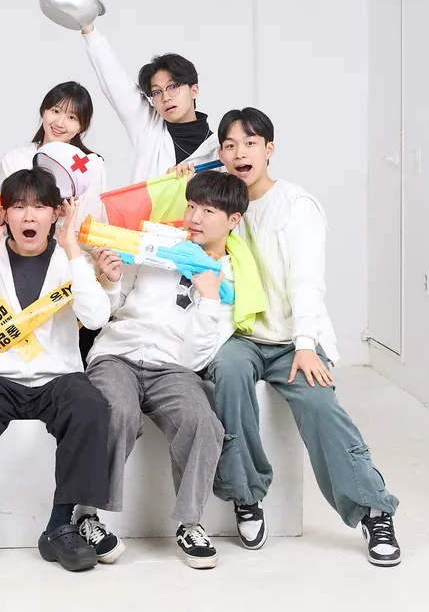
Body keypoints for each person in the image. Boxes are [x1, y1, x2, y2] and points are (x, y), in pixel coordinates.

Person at [200, 107, 402, 567]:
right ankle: (246, 496)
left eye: (250, 143)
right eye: (230, 145)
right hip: (243, 335)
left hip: (294, 336)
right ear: (221, 154)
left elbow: (307, 281)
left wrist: (306, 344)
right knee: (228, 374)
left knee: (319, 403)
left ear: (269, 150)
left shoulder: (297, 205)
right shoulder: (224, 204)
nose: (240, 153)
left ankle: (373, 509)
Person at [0, 169, 114, 572]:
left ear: (55, 214)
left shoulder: (71, 258)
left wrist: (73, 250)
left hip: (59, 378)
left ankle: (60, 525)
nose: (29, 216)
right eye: (18, 206)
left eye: (39, 207)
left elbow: (96, 316)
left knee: (90, 405)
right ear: (4, 214)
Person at [76, 171, 250, 569]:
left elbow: (198, 357)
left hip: (174, 368)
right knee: (114, 410)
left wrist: (209, 299)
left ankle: (190, 524)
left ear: (233, 220)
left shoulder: (230, 277)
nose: (194, 217)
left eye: (208, 211)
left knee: (203, 423)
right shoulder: (158, 244)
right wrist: (110, 280)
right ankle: (87, 516)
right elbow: (111, 306)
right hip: (117, 353)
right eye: (191, 206)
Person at [0, 81, 108, 362]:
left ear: (82, 126)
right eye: (55, 111)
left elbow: (95, 226)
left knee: (69, 354)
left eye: (72, 117)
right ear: (43, 111)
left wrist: (69, 222)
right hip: (18, 266)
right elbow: (2, 216)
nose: (60, 123)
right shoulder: (17, 158)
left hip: (69, 270)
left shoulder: (91, 164)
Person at [79, 23, 218, 183]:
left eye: (173, 87)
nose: (165, 97)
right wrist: (89, 29)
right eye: (157, 92)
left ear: (194, 90)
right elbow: (115, 81)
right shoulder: (148, 127)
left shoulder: (219, 149)